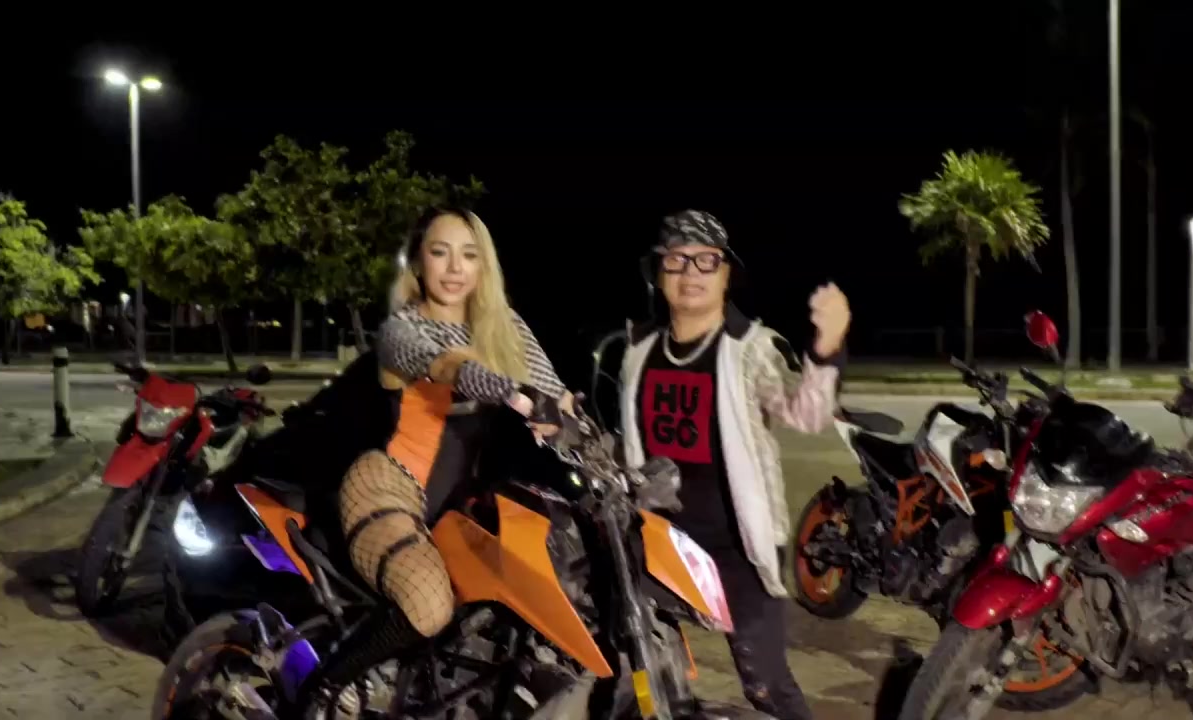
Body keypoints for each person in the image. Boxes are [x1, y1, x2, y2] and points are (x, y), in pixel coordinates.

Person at [617, 209, 850, 720]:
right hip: (660, 539)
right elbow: (631, 440)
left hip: (737, 545)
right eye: (677, 260)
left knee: (764, 682)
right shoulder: (638, 350)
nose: (691, 273)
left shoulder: (751, 349)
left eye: (706, 261)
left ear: (725, 275)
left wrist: (827, 346)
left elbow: (807, 414)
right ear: (658, 273)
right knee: (635, 663)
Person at [336, 206, 571, 660]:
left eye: (469, 254)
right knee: (429, 607)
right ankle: (323, 690)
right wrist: (509, 390)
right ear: (418, 262)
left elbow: (556, 396)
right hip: (387, 489)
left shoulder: (507, 328)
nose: (455, 268)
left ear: (485, 266)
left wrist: (593, 441)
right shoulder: (402, 329)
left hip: (462, 504)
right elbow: (444, 366)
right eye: (440, 252)